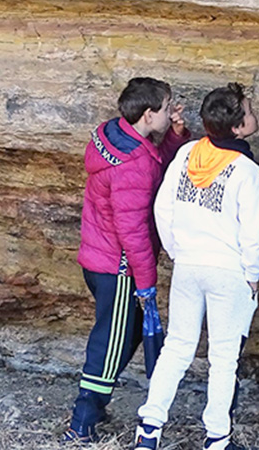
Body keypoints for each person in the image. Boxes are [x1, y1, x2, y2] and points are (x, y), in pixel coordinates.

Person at [134, 82, 259, 450]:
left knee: (177, 347)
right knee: (223, 358)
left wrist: (178, 250)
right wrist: (252, 275)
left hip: (189, 265)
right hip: (228, 270)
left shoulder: (188, 154)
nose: (255, 114)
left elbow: (162, 207)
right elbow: (254, 233)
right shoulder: (247, 171)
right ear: (238, 127)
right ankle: (217, 437)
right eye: (250, 109)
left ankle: (149, 428)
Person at [62, 77, 189, 444]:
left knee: (128, 332)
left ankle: (95, 404)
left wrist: (175, 134)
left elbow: (153, 161)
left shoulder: (114, 137)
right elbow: (132, 229)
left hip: (99, 258)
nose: (171, 112)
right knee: (109, 341)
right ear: (148, 115)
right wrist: (146, 281)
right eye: (167, 108)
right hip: (119, 267)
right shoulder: (132, 164)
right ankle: (82, 419)